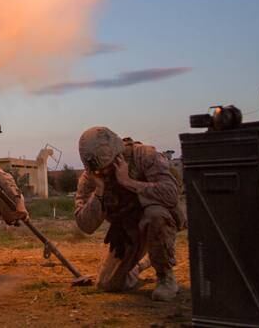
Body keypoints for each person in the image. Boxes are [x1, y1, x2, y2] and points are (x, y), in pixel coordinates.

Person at [75, 127, 183, 301]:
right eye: (99, 170)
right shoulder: (90, 178)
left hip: (158, 222)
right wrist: (99, 191)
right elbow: (86, 225)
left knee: (155, 214)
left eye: (107, 166)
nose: (104, 172)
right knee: (108, 284)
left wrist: (128, 182)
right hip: (128, 230)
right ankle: (142, 264)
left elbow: (171, 194)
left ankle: (165, 276)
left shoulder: (145, 156)